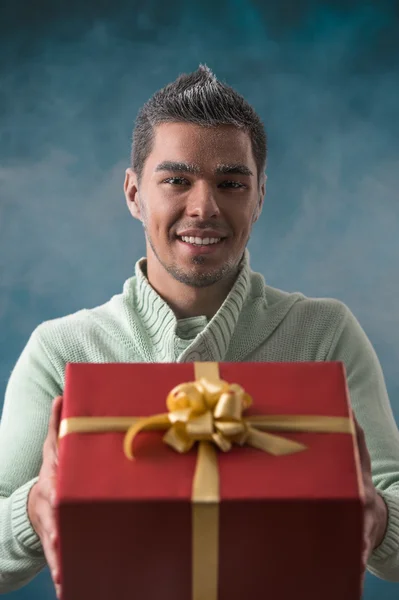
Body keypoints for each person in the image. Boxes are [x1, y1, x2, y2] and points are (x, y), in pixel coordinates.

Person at [1, 65, 399, 599]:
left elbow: (390, 506)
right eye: (176, 180)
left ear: (258, 197)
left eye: (232, 183)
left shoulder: (324, 334)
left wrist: (377, 518)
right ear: (134, 193)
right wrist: (33, 509)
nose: (204, 207)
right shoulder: (63, 350)